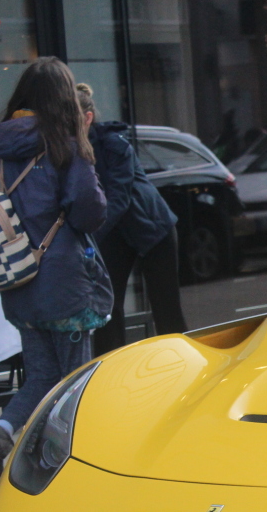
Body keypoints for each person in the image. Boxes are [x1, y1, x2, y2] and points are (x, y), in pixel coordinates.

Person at [0, 57, 110, 504]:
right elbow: (89, 210)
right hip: (64, 284)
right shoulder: (65, 145)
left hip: (20, 280)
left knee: (41, 375)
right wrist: (84, 151)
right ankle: (66, 469)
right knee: (73, 383)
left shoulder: (6, 145)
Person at [80, 84, 187, 357]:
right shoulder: (73, 152)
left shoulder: (115, 145)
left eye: (70, 119)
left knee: (165, 308)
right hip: (117, 234)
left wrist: (90, 236)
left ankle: (184, 365)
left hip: (153, 229)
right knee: (107, 306)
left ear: (87, 118)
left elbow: (118, 198)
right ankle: (109, 369)